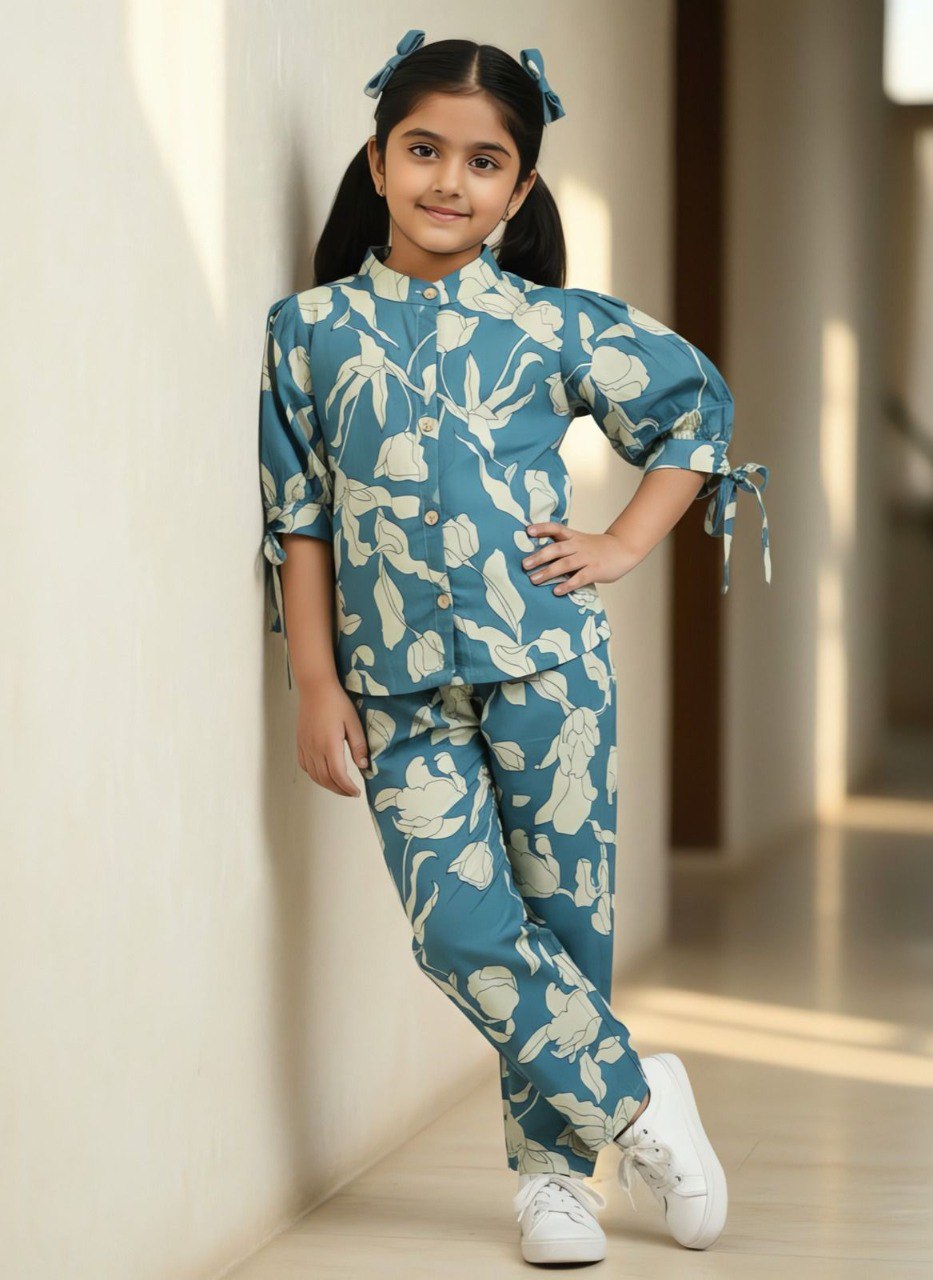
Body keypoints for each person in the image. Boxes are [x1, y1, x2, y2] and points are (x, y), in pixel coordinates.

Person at [257, 28, 770, 1268]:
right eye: (423, 150)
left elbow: (696, 405)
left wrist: (627, 542)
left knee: (564, 919)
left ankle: (559, 1182)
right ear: (378, 161)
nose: (450, 180)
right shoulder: (308, 330)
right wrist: (316, 678)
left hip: (551, 670)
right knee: (459, 928)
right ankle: (638, 1096)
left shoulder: (553, 326)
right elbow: (301, 517)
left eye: (484, 161)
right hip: (394, 688)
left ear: (520, 189)